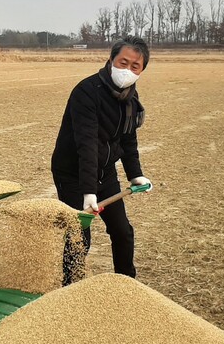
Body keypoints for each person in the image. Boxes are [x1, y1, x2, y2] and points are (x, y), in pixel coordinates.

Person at [51, 35, 153, 281]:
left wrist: (135, 174)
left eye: (134, 66)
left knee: (122, 231)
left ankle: (126, 283)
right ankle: (71, 287)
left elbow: (128, 139)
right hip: (73, 173)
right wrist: (88, 192)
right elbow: (87, 144)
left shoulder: (130, 98)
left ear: (141, 71)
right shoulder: (86, 92)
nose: (127, 70)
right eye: (123, 62)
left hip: (104, 172)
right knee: (80, 236)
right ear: (110, 60)